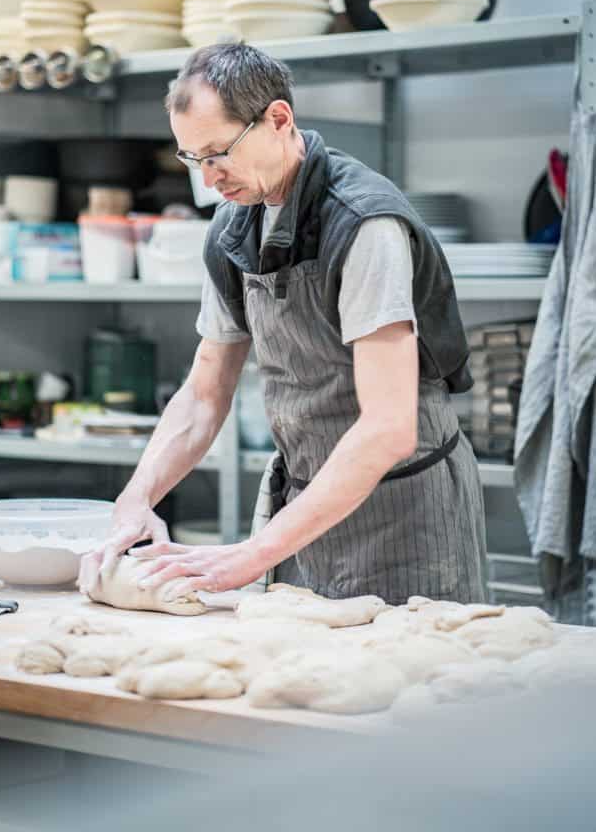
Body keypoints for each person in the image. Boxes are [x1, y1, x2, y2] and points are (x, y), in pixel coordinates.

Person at [78, 42, 486, 604]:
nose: (208, 180)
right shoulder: (232, 232)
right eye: (193, 160)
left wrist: (252, 555)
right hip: (301, 509)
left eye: (218, 153)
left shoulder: (363, 225)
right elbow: (203, 395)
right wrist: (137, 498)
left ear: (278, 118)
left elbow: (389, 428)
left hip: (404, 514)